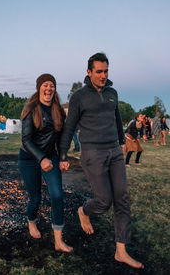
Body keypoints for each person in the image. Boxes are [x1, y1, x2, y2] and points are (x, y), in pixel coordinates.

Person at [59, 52, 143, 268]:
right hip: (92, 152)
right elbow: (69, 126)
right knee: (104, 201)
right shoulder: (79, 96)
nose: (103, 75)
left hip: (114, 151)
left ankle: (121, 251)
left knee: (122, 198)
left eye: (106, 71)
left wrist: (121, 141)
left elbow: (116, 119)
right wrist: (63, 153)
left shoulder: (112, 92)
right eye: (99, 71)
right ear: (89, 72)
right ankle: (83, 210)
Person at [18, 73, 73, 252]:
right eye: (45, 85)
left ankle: (58, 240)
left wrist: (63, 157)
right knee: (35, 198)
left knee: (57, 195)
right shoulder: (31, 108)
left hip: (51, 156)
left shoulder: (58, 110)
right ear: (39, 87)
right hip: (29, 158)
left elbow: (61, 138)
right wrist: (41, 158)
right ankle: (32, 222)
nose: (49, 88)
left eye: (52, 85)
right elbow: (26, 139)